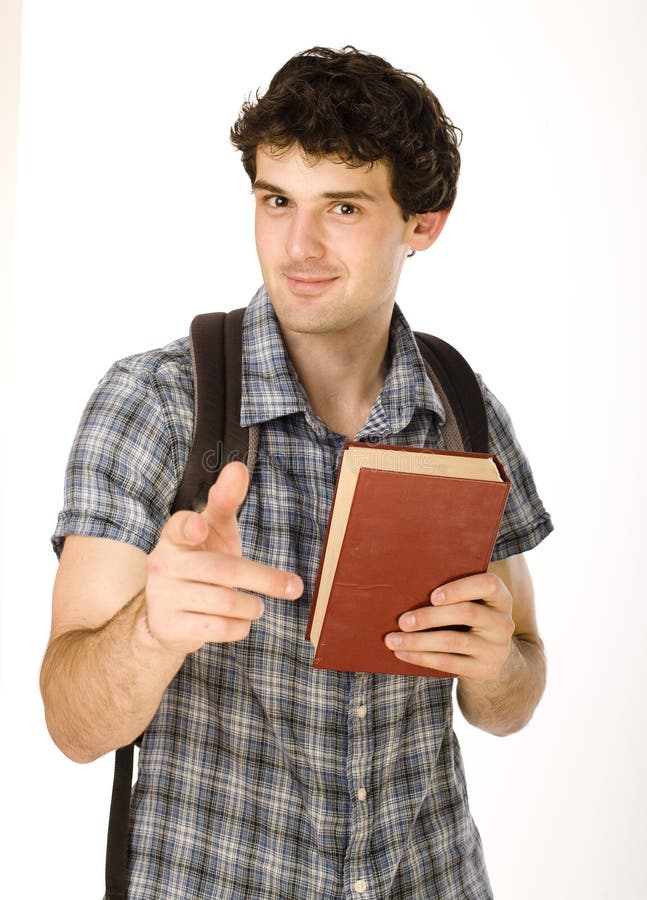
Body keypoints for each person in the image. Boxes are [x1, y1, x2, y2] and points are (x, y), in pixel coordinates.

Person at [41, 46, 553, 899]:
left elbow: (513, 696)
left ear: (422, 224)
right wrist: (152, 629)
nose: (298, 245)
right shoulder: (158, 402)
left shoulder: (462, 409)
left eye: (342, 207)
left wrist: (494, 662)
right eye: (276, 200)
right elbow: (71, 725)